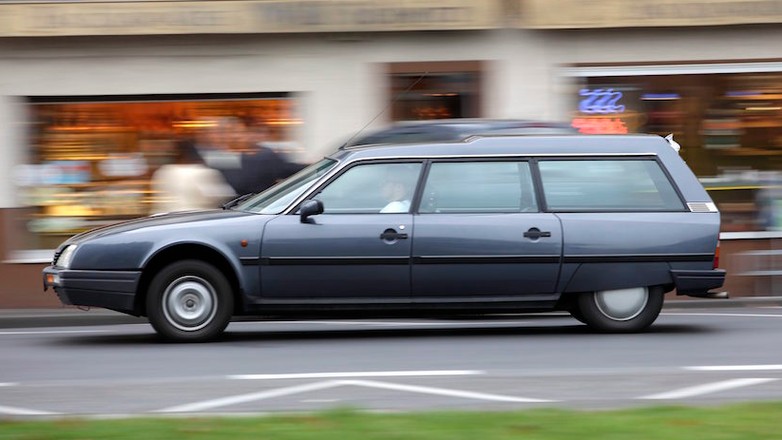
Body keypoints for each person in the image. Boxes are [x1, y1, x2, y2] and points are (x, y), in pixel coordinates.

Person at [150, 139, 236, 214]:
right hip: (195, 218)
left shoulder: (163, 172)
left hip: (166, 218)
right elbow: (221, 196)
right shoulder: (202, 172)